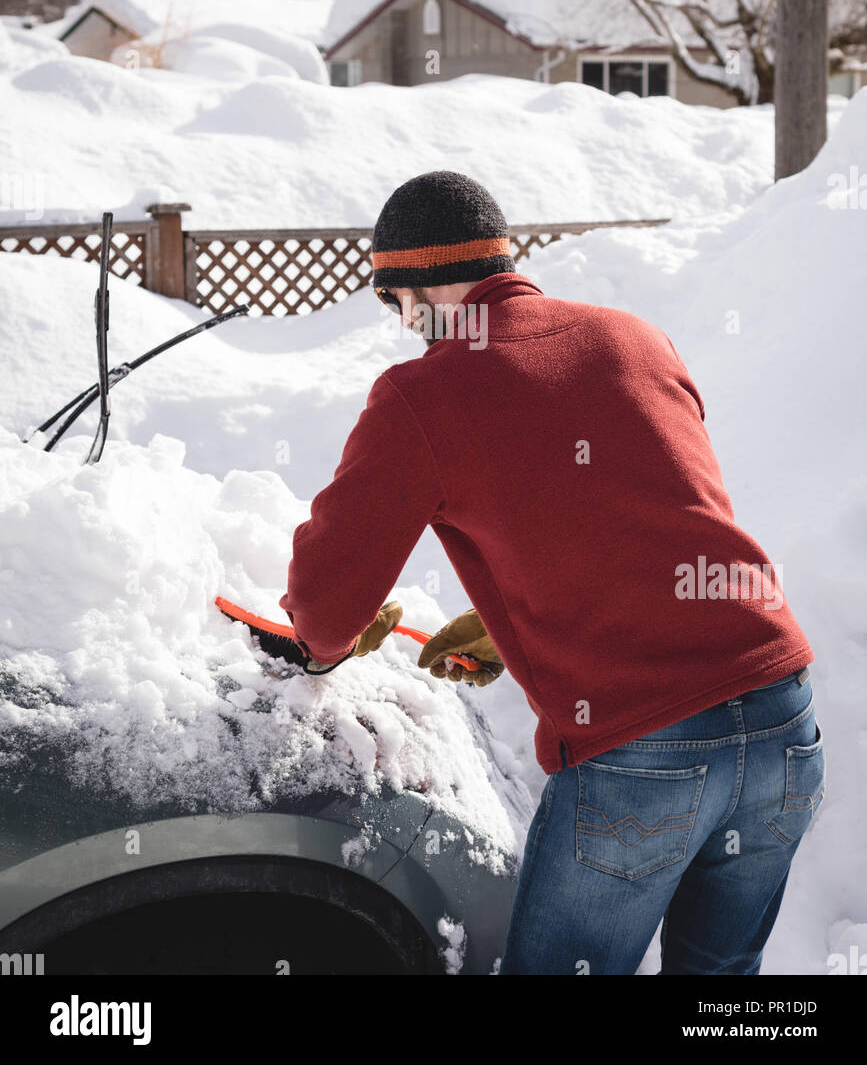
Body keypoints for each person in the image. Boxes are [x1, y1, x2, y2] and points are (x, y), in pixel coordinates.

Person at [279, 170, 825, 975]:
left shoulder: (420, 394)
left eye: (392, 305)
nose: (402, 328)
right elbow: (648, 512)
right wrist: (519, 623)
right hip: (783, 712)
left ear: (414, 289)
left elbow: (324, 605)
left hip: (642, 751)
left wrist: (322, 646)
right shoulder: (633, 336)